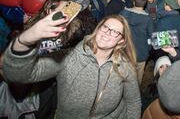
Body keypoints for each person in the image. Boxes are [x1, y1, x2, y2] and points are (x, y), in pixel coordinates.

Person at [3, 14, 141, 118]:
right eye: (105, 27)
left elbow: (133, 101)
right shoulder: (68, 57)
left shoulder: (125, 66)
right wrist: (24, 41)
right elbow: (18, 75)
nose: (107, 33)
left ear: (121, 41)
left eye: (115, 32)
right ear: (98, 28)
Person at [120, 0, 154, 85]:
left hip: (125, 51)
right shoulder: (148, 19)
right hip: (141, 53)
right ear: (145, 3)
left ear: (134, 2)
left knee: (124, 77)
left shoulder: (123, 13)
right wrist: (148, 49)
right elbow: (152, 37)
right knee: (137, 79)